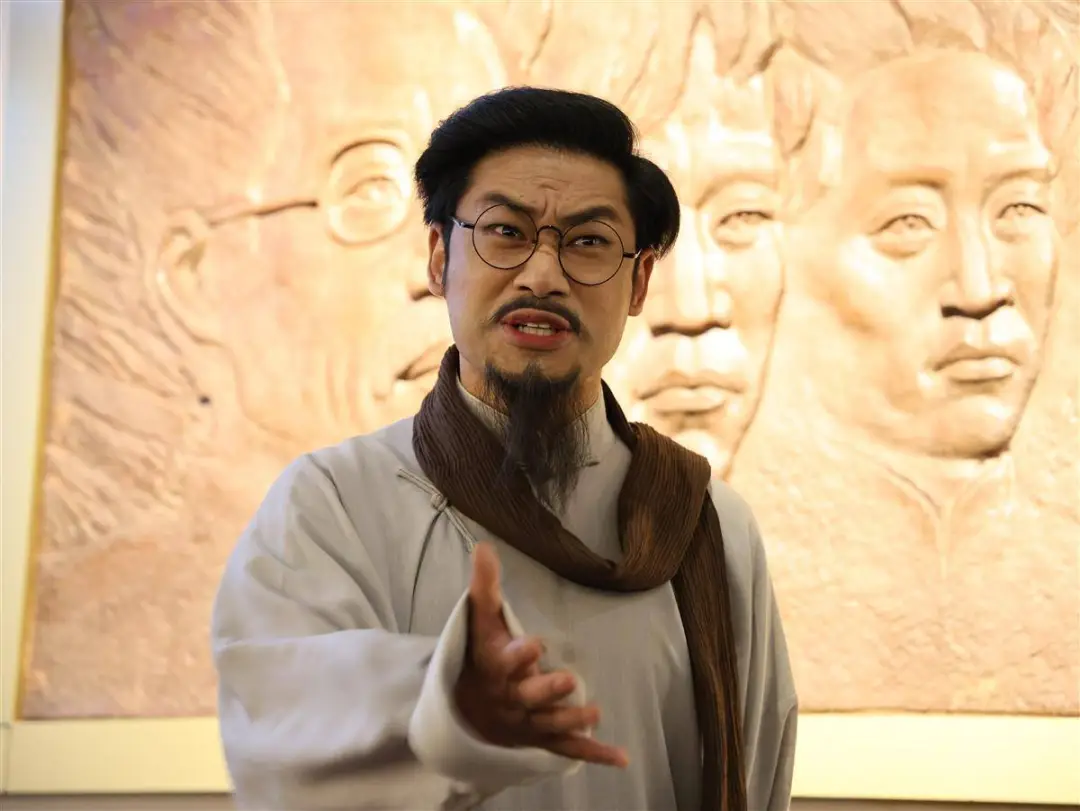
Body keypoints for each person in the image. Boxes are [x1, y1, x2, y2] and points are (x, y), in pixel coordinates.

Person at [212, 86, 797, 811]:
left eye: (588, 242)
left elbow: (758, 773)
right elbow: (279, 720)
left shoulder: (710, 525)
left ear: (639, 280)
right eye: (505, 232)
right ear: (439, 257)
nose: (543, 276)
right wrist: (445, 706)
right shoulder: (333, 505)